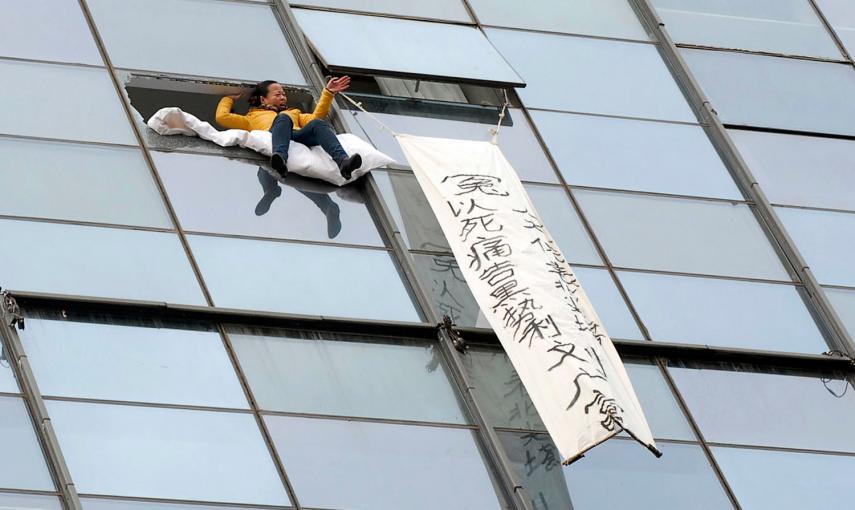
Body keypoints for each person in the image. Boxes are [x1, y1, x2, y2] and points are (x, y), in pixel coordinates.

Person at [215, 76, 361, 180]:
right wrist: (228, 98)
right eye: (278, 94)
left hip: (296, 135)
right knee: (283, 118)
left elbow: (315, 117)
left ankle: (343, 162)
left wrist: (328, 93)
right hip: (275, 136)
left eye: (284, 94)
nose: (283, 97)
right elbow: (222, 117)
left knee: (318, 124)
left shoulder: (294, 112)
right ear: (263, 99)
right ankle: (280, 159)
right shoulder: (251, 118)